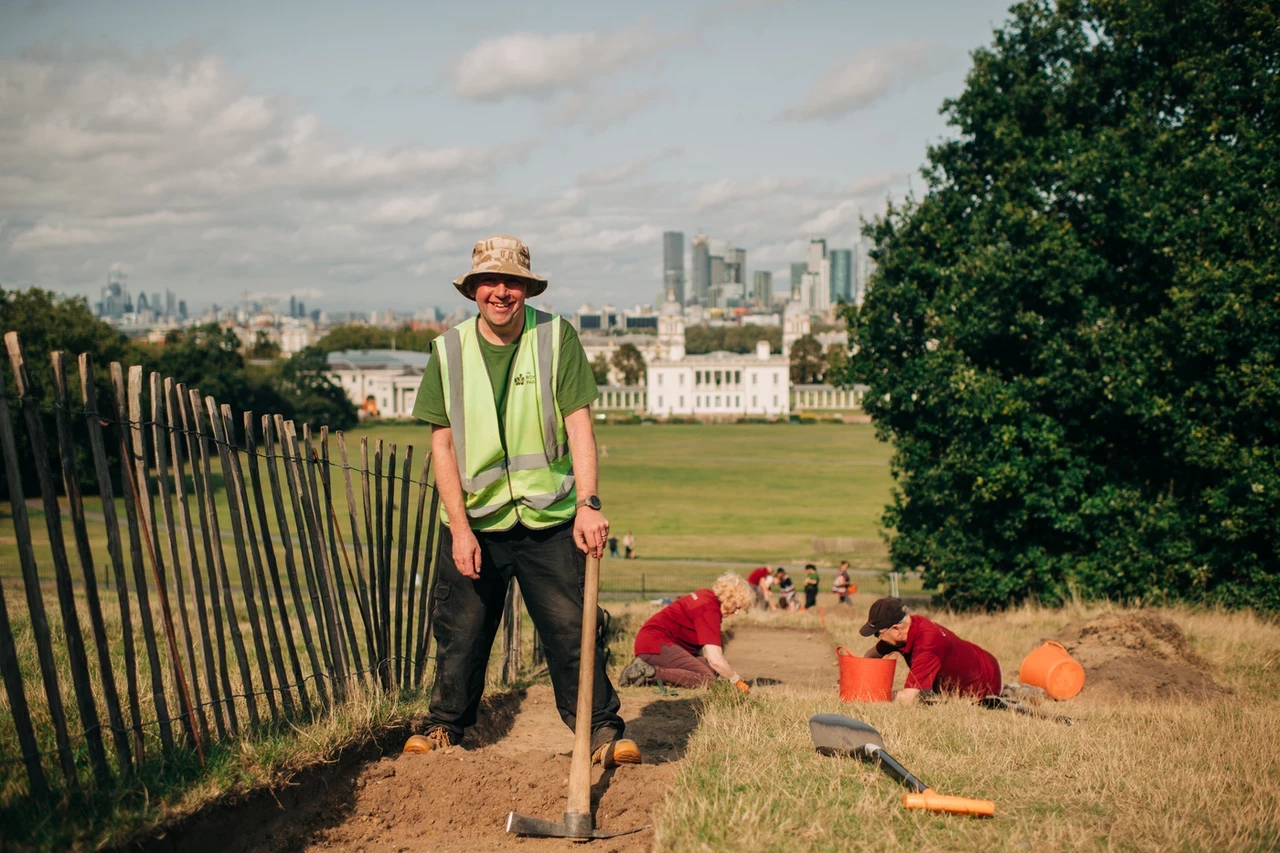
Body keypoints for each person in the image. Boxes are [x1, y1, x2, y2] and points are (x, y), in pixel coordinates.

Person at [408, 234, 638, 768]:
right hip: (477, 523)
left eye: (512, 281)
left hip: (550, 520)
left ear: (527, 288)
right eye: (490, 280)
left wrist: (589, 503)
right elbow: (441, 444)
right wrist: (460, 530)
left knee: (572, 631)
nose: (501, 291)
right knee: (460, 632)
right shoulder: (448, 351)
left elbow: (580, 425)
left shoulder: (557, 338)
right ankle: (445, 728)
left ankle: (601, 730)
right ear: (473, 290)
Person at [619, 573, 754, 690]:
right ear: (730, 599)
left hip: (655, 643)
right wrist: (736, 680)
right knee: (707, 679)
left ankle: (646, 667)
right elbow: (716, 659)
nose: (736, 613)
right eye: (737, 607)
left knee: (711, 670)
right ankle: (649, 673)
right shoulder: (709, 610)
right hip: (656, 645)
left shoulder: (706, 596)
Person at [860, 597, 1002, 702]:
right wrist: (857, 678)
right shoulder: (908, 626)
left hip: (987, 682)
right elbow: (871, 656)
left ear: (896, 629)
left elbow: (909, 698)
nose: (877, 638)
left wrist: (873, 693)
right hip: (980, 658)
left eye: (878, 634)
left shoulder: (926, 645)